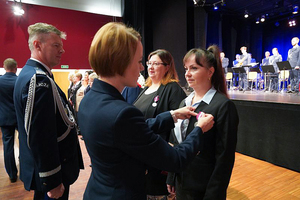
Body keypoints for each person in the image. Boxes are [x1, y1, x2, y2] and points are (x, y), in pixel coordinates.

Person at [77, 22, 214, 200]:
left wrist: (171, 115)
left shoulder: (91, 98)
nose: (143, 68)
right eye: (140, 61)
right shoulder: (121, 113)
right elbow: (175, 159)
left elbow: (129, 130)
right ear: (120, 62)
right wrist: (199, 130)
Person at [13, 22, 84, 200]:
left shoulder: (32, 74)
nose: (62, 50)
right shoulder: (38, 80)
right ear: (37, 45)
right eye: (56, 45)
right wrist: (51, 180)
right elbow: (41, 135)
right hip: (52, 170)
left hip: (45, 165)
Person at [167, 46, 239, 200]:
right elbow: (177, 143)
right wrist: (172, 176)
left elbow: (224, 158)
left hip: (204, 188)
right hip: (182, 184)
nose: (187, 73)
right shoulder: (183, 103)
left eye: (194, 68)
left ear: (210, 72)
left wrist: (214, 194)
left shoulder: (223, 106)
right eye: (186, 68)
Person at [133, 49, 187, 199]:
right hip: (141, 157)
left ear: (167, 66)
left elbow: (179, 130)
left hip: (160, 160)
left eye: (156, 64)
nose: (150, 67)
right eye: (149, 63)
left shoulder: (173, 89)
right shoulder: (146, 88)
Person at [0, 58, 18, 183]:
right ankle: (26, 167)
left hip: (4, 118)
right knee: (25, 143)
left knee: (8, 146)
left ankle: (12, 174)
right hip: (19, 118)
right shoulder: (19, 81)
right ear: (16, 67)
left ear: (4, 67)